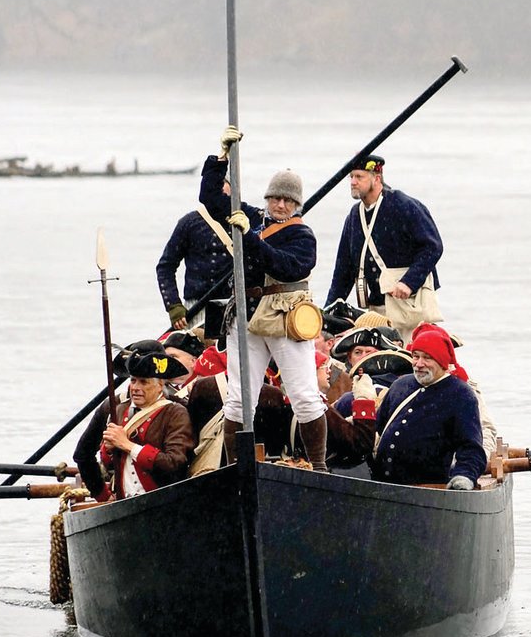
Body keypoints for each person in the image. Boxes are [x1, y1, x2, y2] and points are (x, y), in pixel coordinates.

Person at [199, 125, 329, 470]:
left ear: (297, 204)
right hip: (245, 316)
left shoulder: (303, 236)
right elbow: (210, 199)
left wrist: (248, 238)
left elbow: (285, 267)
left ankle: (319, 466)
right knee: (239, 402)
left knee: (304, 396)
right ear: (268, 199)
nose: (280, 204)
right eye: (275, 198)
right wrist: (220, 158)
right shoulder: (252, 218)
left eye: (287, 200)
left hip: (284, 318)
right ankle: (233, 469)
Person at [351, 323, 486, 489]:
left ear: (442, 361)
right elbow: (374, 429)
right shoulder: (401, 385)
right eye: (416, 356)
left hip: (429, 490)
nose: (419, 363)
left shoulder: (461, 394)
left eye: (427, 358)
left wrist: (465, 476)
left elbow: (471, 447)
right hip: (382, 484)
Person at [324, 155, 445, 336]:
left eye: (359, 177)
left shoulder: (403, 205)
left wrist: (408, 282)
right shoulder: (354, 216)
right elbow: (343, 270)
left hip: (410, 307)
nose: (353, 182)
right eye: (351, 177)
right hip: (377, 311)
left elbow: (432, 246)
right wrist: (327, 312)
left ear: (377, 178)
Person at [87, 350, 195, 500]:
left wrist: (128, 445)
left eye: (144, 382)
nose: (135, 387)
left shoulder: (175, 413)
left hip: (164, 502)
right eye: (133, 380)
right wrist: (109, 449)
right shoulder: (120, 410)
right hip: (125, 502)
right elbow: (110, 465)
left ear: (159, 386)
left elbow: (174, 463)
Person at [156, 181, 234, 331]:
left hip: (236, 306)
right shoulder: (189, 223)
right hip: (197, 307)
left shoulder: (246, 222)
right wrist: (173, 305)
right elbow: (166, 267)